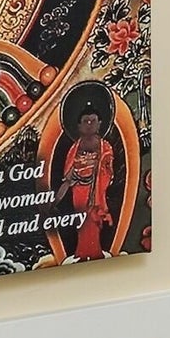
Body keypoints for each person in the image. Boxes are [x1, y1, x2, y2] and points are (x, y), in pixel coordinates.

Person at [53, 93, 122, 259]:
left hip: (97, 190)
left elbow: (108, 170)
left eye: (93, 121)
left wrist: (99, 173)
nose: (89, 125)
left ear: (100, 124)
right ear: (79, 126)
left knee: (94, 222)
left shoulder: (105, 147)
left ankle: (95, 251)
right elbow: (68, 178)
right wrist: (55, 201)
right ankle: (82, 252)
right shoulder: (74, 148)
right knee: (81, 222)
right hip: (79, 191)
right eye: (86, 121)